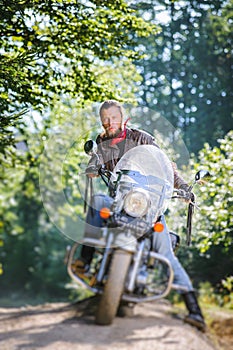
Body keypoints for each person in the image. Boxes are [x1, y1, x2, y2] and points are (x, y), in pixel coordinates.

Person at [73, 100, 206, 331]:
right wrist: (93, 165)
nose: (108, 122)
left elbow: (167, 166)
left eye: (113, 117)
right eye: (104, 118)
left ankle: (194, 311)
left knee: (165, 251)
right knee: (96, 202)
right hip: (119, 202)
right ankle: (84, 260)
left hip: (147, 204)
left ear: (124, 119)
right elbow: (96, 161)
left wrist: (184, 186)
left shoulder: (143, 138)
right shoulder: (102, 141)